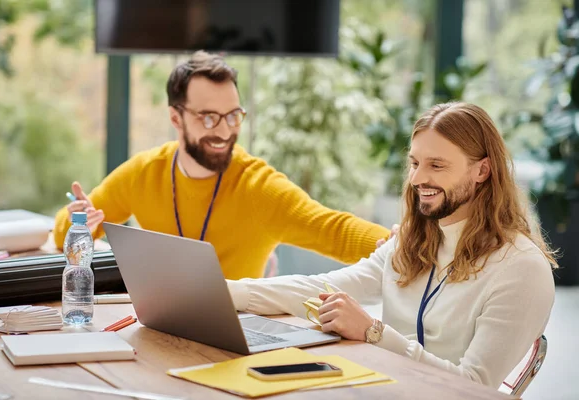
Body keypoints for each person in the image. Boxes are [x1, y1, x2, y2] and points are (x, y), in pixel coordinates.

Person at [226, 102, 557, 388]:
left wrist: (373, 332)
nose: (416, 179)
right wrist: (224, 292)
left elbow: (471, 387)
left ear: (482, 170)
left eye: (436, 165)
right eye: (415, 163)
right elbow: (322, 288)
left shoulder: (521, 269)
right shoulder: (415, 241)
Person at [53, 50, 392, 280]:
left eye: (233, 116)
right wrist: (78, 220)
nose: (225, 130)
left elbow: (335, 230)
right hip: (159, 325)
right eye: (209, 117)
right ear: (176, 117)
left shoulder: (259, 187)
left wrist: (407, 245)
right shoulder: (144, 172)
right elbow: (65, 234)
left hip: (239, 333)